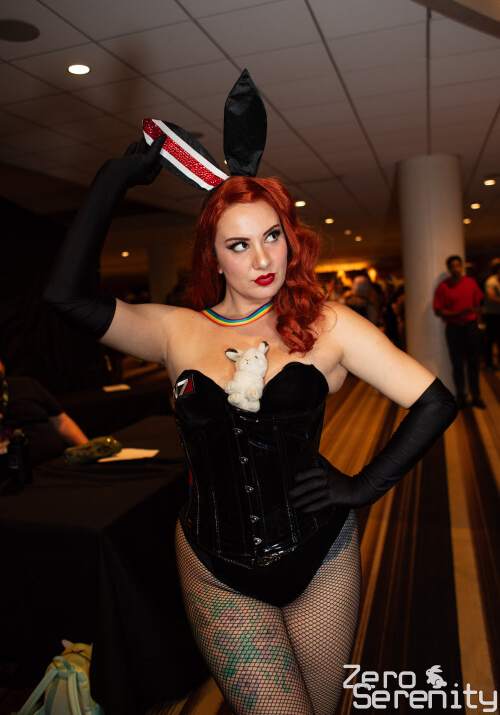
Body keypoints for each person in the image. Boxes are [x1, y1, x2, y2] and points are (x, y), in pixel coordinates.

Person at [44, 72, 456, 715]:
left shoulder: (328, 324)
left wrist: (363, 487)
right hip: (216, 566)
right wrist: (112, 182)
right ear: (213, 256)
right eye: (239, 244)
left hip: (321, 555)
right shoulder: (177, 330)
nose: (263, 259)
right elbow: (66, 297)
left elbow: (435, 402)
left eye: (272, 236)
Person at [0, 358, 88, 466]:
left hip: (58, 461)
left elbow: (61, 421)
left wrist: (88, 450)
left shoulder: (26, 385)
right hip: (17, 469)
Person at [433, 255, 485, 409]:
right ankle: (461, 397)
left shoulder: (470, 282)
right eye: (452, 266)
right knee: (458, 365)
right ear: (448, 269)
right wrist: (457, 313)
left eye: (458, 265)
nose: (456, 269)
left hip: (471, 327)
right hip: (454, 329)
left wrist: (479, 322)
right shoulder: (443, 286)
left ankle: (476, 396)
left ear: (461, 267)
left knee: (473, 363)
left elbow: (478, 304)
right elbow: (438, 311)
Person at [482, 257, 500, 371]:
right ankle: (488, 364)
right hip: (491, 315)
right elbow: (491, 297)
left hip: (497, 314)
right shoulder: (491, 281)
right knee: (490, 340)